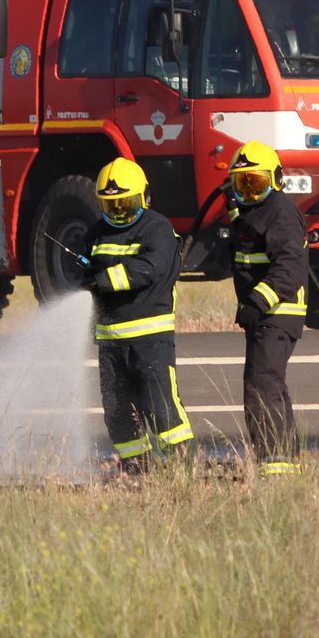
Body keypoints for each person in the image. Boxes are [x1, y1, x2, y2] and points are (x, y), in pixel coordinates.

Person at [82, 156, 193, 473]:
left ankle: (181, 466)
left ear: (144, 197)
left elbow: (150, 269)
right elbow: (85, 276)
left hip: (149, 338)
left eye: (125, 205)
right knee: (117, 411)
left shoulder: (157, 228)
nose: (118, 212)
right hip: (110, 341)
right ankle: (137, 469)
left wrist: (103, 280)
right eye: (111, 206)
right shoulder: (95, 234)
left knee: (160, 404)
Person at [227, 141, 309, 475]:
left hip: (278, 311)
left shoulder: (280, 212)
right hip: (266, 314)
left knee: (262, 383)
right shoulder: (251, 213)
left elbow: (290, 267)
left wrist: (257, 301)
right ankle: (284, 460)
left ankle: (276, 464)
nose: (248, 192)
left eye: (256, 183)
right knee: (268, 382)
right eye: (242, 183)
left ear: (276, 179)